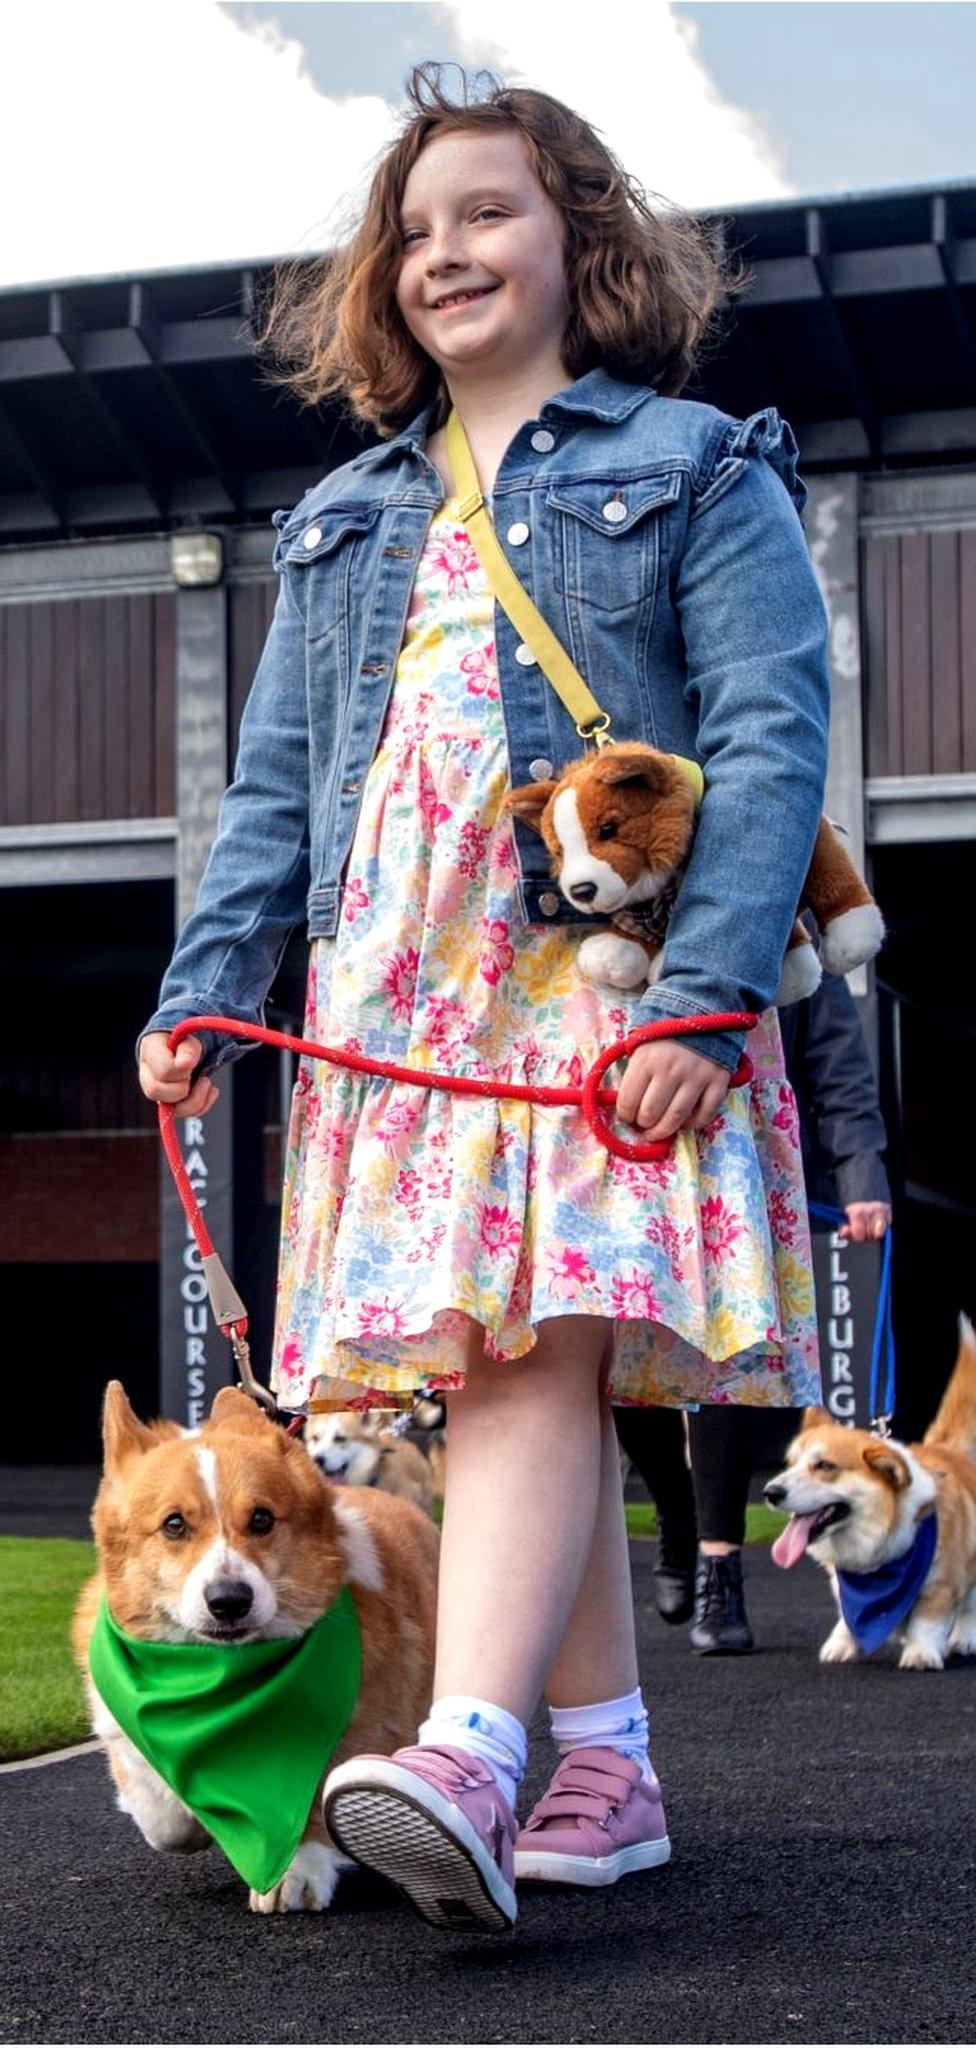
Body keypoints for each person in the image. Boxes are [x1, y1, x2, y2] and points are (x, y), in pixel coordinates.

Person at [136, 63, 830, 1933]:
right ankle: (600, 1758)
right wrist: (208, 985)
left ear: (576, 240)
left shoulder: (694, 462)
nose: (449, 249)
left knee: (525, 1355)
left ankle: (466, 1744)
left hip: (583, 993)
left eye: (490, 211)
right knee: (513, 1364)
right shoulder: (342, 518)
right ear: (386, 277)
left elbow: (768, 736)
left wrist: (698, 996)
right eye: (416, 227)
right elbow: (277, 786)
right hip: (400, 1010)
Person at [615, 939, 892, 1654]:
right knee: (619, 1370)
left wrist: (859, 1177)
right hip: (626, 1161)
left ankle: (719, 1568)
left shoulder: (782, 923)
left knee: (726, 1367)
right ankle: (675, 1510)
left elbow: (838, 1060)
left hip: (741, 1161)